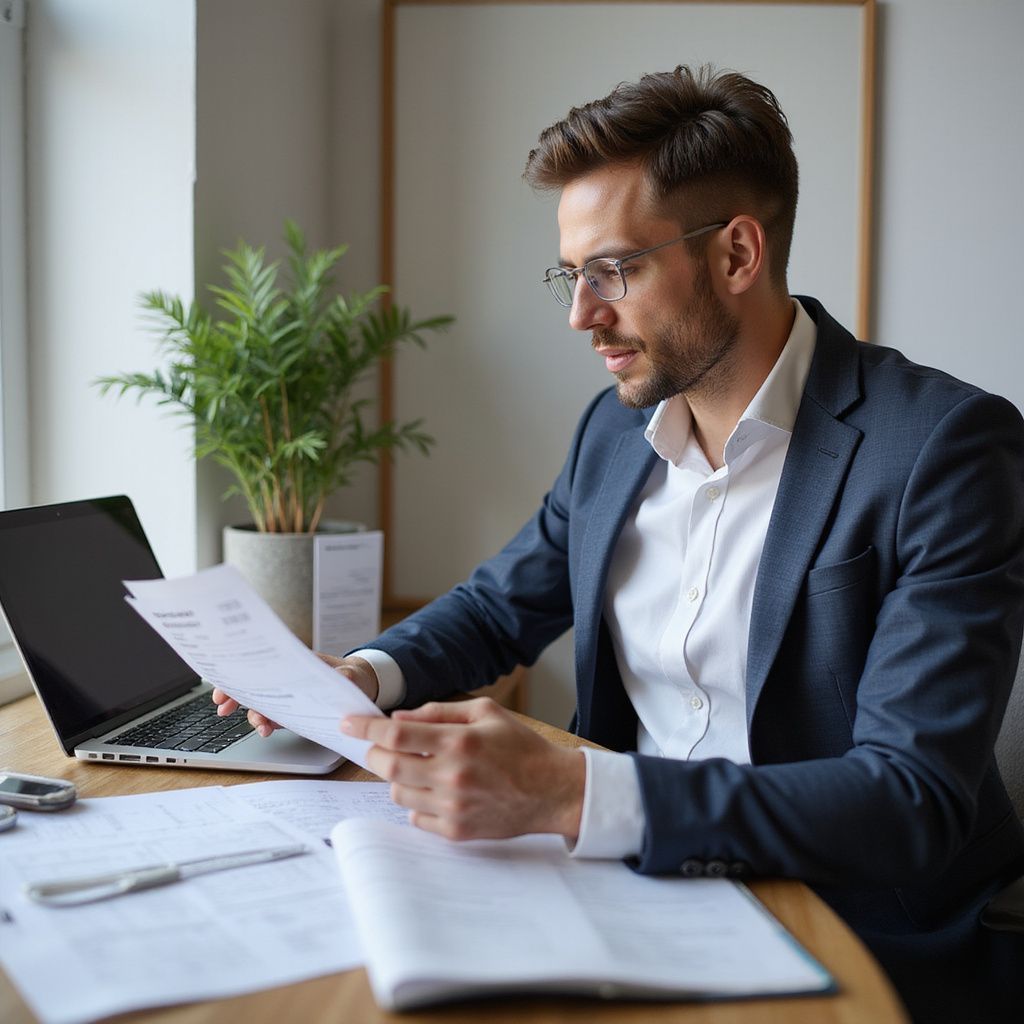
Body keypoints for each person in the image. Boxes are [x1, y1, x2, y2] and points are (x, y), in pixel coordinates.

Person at [215, 66, 1024, 1022]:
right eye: (572, 274)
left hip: (848, 930)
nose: (580, 314)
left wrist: (577, 791)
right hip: (615, 891)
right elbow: (499, 604)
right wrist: (365, 674)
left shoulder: (944, 449)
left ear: (736, 254)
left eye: (615, 271)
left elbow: (910, 800)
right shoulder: (613, 432)